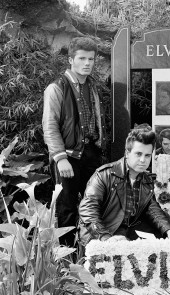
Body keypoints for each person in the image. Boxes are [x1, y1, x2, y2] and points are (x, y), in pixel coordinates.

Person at [42, 37, 108, 247]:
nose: (87, 63)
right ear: (71, 59)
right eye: (82, 58)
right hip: (67, 156)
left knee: (95, 204)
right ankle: (66, 260)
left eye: (91, 59)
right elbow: (50, 126)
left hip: (91, 154)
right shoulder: (56, 88)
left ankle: (93, 254)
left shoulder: (92, 86)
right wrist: (60, 158)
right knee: (67, 208)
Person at [78, 124, 170, 244]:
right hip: (101, 233)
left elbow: (152, 209)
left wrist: (168, 230)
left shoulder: (145, 179)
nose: (143, 160)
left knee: (164, 235)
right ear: (127, 153)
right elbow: (88, 209)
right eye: (138, 154)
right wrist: (106, 237)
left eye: (147, 155)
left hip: (127, 232)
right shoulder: (104, 175)